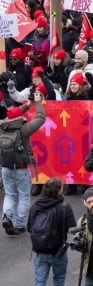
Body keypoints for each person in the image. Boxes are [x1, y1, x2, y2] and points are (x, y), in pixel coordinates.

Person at [28, 178, 76, 286]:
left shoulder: (36, 206)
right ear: (59, 190)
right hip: (57, 251)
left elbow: (29, 227)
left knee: (39, 282)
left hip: (39, 251)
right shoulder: (64, 206)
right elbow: (71, 228)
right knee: (59, 279)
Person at [1, 92, 45, 236]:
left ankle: (7, 216)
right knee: (24, 196)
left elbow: (15, 112)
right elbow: (40, 118)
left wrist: (26, 105)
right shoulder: (23, 130)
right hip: (21, 168)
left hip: (6, 168)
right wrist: (38, 103)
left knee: (10, 195)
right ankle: (19, 225)